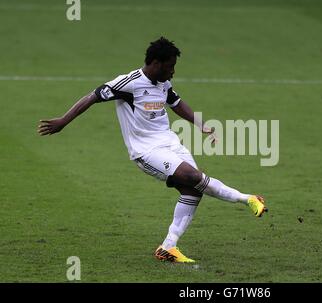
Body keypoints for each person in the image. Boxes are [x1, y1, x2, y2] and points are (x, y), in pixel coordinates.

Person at [38, 37, 267, 263]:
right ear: (156, 63)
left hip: (170, 143)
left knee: (194, 190)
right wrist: (63, 121)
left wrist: (201, 125)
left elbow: (176, 103)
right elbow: (92, 97)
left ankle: (168, 247)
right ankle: (247, 198)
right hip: (146, 151)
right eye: (170, 66)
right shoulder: (128, 83)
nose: (173, 72)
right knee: (193, 177)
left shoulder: (163, 83)